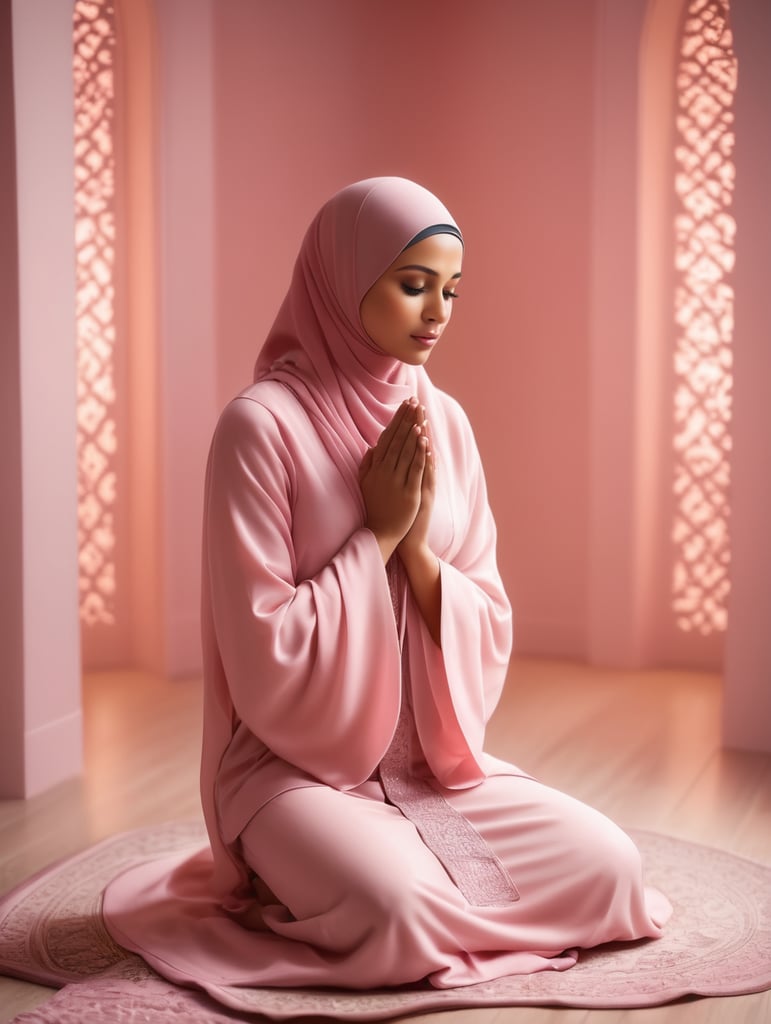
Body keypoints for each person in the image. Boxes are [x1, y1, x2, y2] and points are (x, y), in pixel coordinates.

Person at [104, 177, 671, 993]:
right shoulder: (259, 428)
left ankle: (383, 871)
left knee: (612, 871)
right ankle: (300, 864)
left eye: (450, 290)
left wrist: (410, 552)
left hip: (428, 763)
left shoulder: (445, 421)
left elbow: (486, 606)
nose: (436, 311)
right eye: (413, 285)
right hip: (292, 767)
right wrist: (373, 533)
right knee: (395, 914)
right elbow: (265, 646)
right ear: (341, 280)